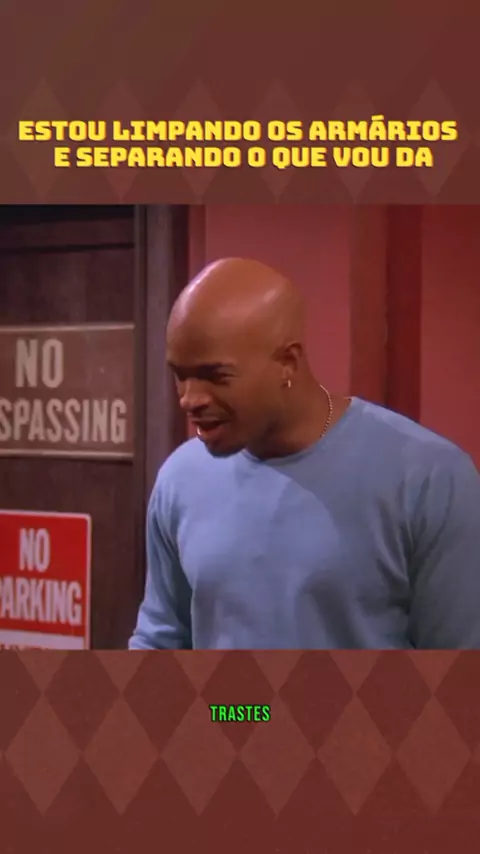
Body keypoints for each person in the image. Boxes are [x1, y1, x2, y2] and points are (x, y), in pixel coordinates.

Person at [129, 257, 480, 650]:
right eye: (180, 375)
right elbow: (160, 640)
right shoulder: (180, 478)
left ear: (287, 363)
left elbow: (460, 669)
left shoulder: (428, 478)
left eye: (216, 376)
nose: (190, 399)